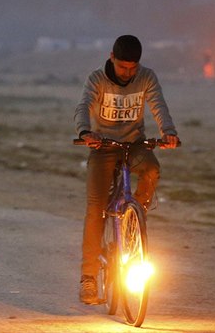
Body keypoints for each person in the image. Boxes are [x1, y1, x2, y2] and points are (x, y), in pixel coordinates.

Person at [74, 35, 180, 304]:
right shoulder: (97, 79)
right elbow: (83, 105)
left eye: (133, 68)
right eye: (123, 67)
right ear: (112, 57)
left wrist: (168, 132)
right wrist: (86, 132)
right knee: (95, 208)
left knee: (152, 169)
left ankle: (136, 215)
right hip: (103, 146)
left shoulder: (146, 77)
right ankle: (88, 279)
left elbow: (158, 104)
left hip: (134, 145)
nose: (128, 73)